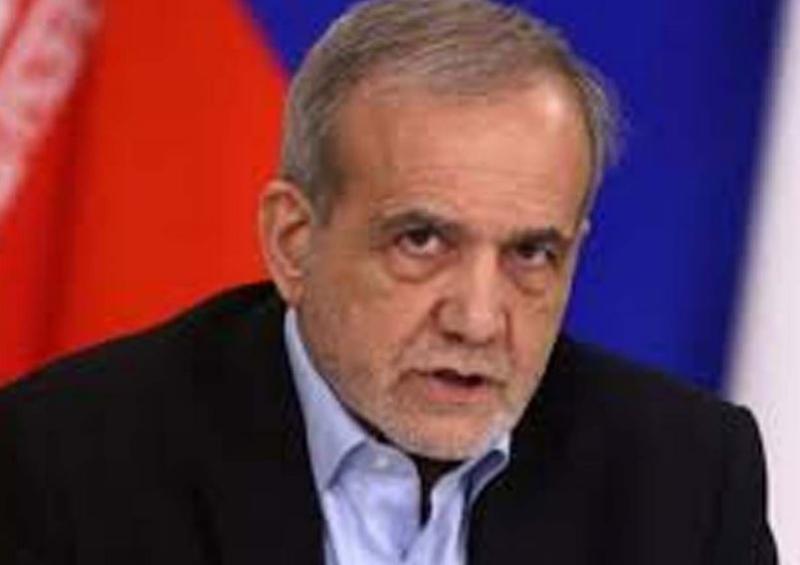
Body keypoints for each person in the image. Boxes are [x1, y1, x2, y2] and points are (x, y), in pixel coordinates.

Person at [0, 0, 777, 563]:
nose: (478, 319)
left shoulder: (686, 478)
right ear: (293, 241)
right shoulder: (67, 464)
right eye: (422, 241)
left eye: (530, 253)